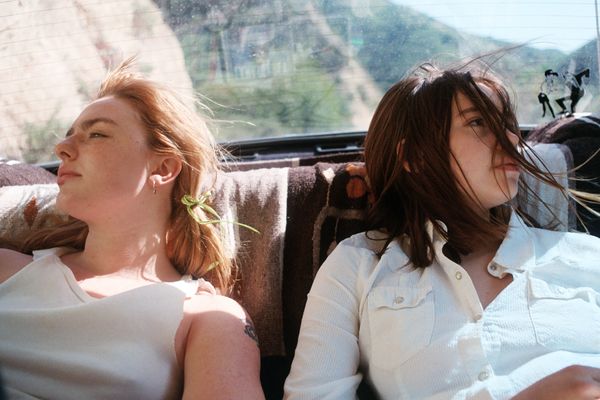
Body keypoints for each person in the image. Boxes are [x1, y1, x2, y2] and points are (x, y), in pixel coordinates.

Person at [284, 61, 600, 399]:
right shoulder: (356, 265)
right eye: (478, 122)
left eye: (508, 125)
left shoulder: (585, 253)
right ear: (415, 155)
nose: (511, 138)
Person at [0, 58, 265, 399]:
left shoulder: (205, 317)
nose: (61, 149)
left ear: (163, 168)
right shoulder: (8, 269)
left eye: (97, 134)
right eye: (69, 137)